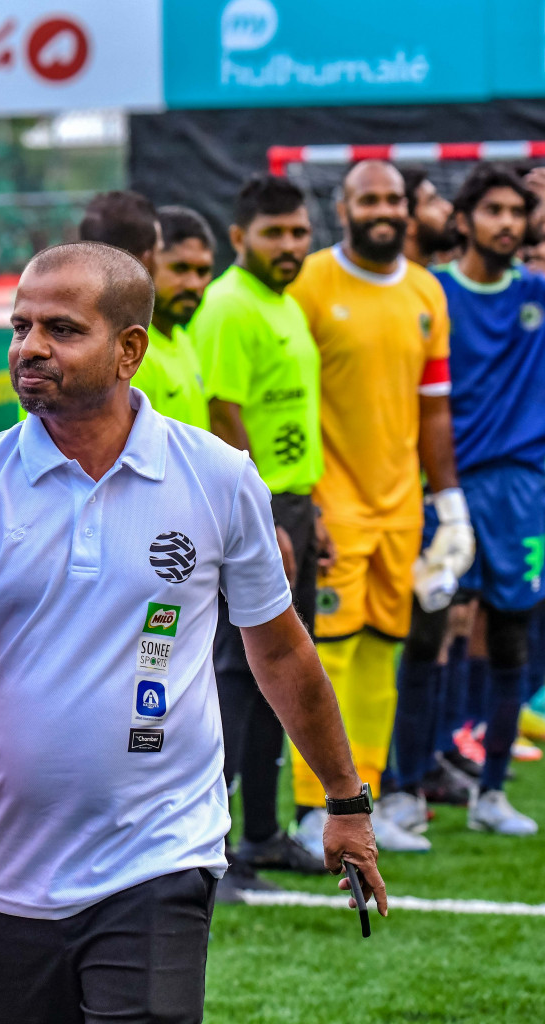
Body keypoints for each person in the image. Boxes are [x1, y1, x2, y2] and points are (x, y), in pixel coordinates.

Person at [0, 242, 386, 1024]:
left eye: (62, 328)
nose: (29, 348)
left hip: (162, 852)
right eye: (21, 326)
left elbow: (282, 649)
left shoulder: (218, 476)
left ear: (130, 350)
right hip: (13, 870)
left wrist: (345, 799)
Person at [285, 160, 473, 856]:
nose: (385, 210)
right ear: (344, 207)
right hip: (334, 508)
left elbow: (434, 410)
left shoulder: (427, 290)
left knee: (382, 657)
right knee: (327, 659)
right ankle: (313, 807)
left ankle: (362, 800)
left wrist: (448, 502)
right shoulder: (308, 283)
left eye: (395, 198)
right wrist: (305, 502)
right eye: (371, 199)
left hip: (402, 511)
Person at [187, 175, 328, 893]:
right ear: (240, 237)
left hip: (292, 509)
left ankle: (266, 835)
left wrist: (310, 508)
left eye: (300, 232)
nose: (291, 245)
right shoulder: (230, 307)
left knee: (283, 665)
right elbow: (224, 414)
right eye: (275, 233)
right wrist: (265, 518)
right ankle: (224, 848)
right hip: (257, 515)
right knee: (241, 673)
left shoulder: (284, 305)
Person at [411, 164, 543, 835]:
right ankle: (409, 783)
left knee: (513, 632)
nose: (507, 224)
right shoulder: (431, 293)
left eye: (517, 213)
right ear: (464, 220)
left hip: (521, 491)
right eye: (493, 210)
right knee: (429, 626)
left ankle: (492, 792)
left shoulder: (538, 294)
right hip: (444, 483)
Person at [87, 199, 214, 429]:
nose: (193, 284)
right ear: (148, 261)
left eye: (202, 271)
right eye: (180, 268)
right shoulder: (126, 353)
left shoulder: (181, 339)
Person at [401, 168, 462, 267]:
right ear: (408, 224)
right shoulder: (383, 280)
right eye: (432, 201)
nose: (448, 208)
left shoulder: (431, 279)